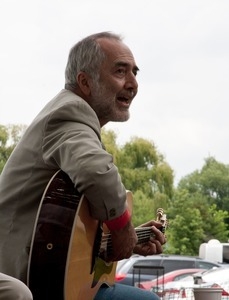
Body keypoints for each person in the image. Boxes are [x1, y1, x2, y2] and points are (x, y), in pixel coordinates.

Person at [0, 32, 166, 299]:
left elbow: (61, 232)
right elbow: (96, 173)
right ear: (85, 82)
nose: (133, 83)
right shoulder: (70, 113)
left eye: (135, 73)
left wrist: (124, 242)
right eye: (120, 71)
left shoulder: (73, 119)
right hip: (26, 279)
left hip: (44, 273)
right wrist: (122, 227)